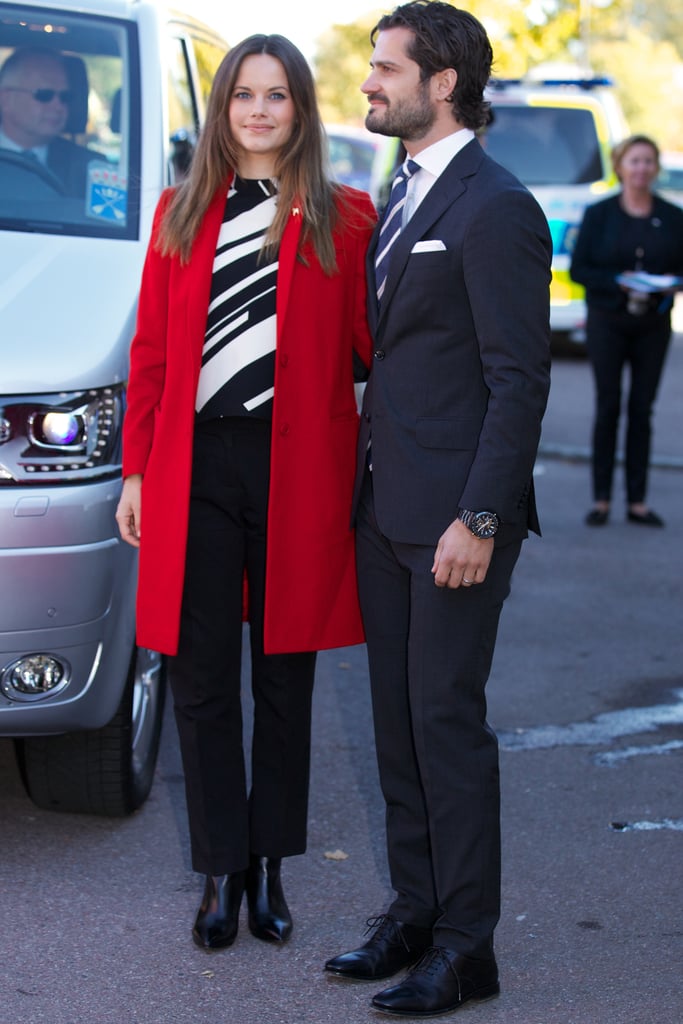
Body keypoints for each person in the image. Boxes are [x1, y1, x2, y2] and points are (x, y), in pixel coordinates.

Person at [115, 34, 375, 951]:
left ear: (301, 110)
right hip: (196, 471)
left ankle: (270, 868)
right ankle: (219, 873)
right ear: (221, 108)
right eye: (243, 95)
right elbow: (149, 355)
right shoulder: (179, 213)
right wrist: (137, 471)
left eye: (277, 96)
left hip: (295, 471)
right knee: (199, 679)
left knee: (283, 677)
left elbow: (370, 347)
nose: (259, 111)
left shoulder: (345, 217)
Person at [323, 3, 551, 1017]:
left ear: (441, 83)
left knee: (444, 725)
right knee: (395, 726)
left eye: (384, 69)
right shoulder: (401, 189)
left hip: (457, 522)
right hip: (384, 509)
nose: (368, 84)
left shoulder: (496, 206)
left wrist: (481, 517)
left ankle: (466, 944)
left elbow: (519, 381)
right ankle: (414, 911)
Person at [570, 134, 683, 528]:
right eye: (634, 161)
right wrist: (617, 282)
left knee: (642, 410)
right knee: (608, 406)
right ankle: (601, 499)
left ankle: (637, 501)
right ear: (620, 166)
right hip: (608, 321)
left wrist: (668, 282)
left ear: (656, 168)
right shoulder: (600, 214)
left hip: (653, 323)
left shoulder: (672, 216)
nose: (641, 169)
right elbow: (579, 269)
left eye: (648, 161)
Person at [0, 46, 97, 196]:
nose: (58, 106)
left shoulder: (91, 170)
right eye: (44, 95)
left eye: (65, 96)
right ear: (6, 98)